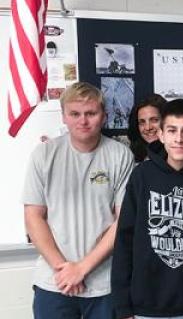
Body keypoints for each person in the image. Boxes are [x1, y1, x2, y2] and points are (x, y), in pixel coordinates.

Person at [22, 82, 135, 318]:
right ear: (63, 116)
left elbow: (122, 219)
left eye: (91, 113)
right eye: (75, 114)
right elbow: (33, 217)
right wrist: (65, 271)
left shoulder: (120, 154)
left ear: (103, 116)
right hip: (54, 283)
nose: (83, 121)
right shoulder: (44, 154)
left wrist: (82, 268)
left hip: (104, 284)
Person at [112, 99, 183, 319]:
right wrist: (123, 307)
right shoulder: (142, 175)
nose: (179, 139)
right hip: (145, 307)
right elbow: (124, 241)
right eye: (172, 130)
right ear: (161, 134)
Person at [127, 94, 167, 162]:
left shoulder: (177, 156)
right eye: (142, 122)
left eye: (154, 120)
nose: (148, 127)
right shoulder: (132, 156)